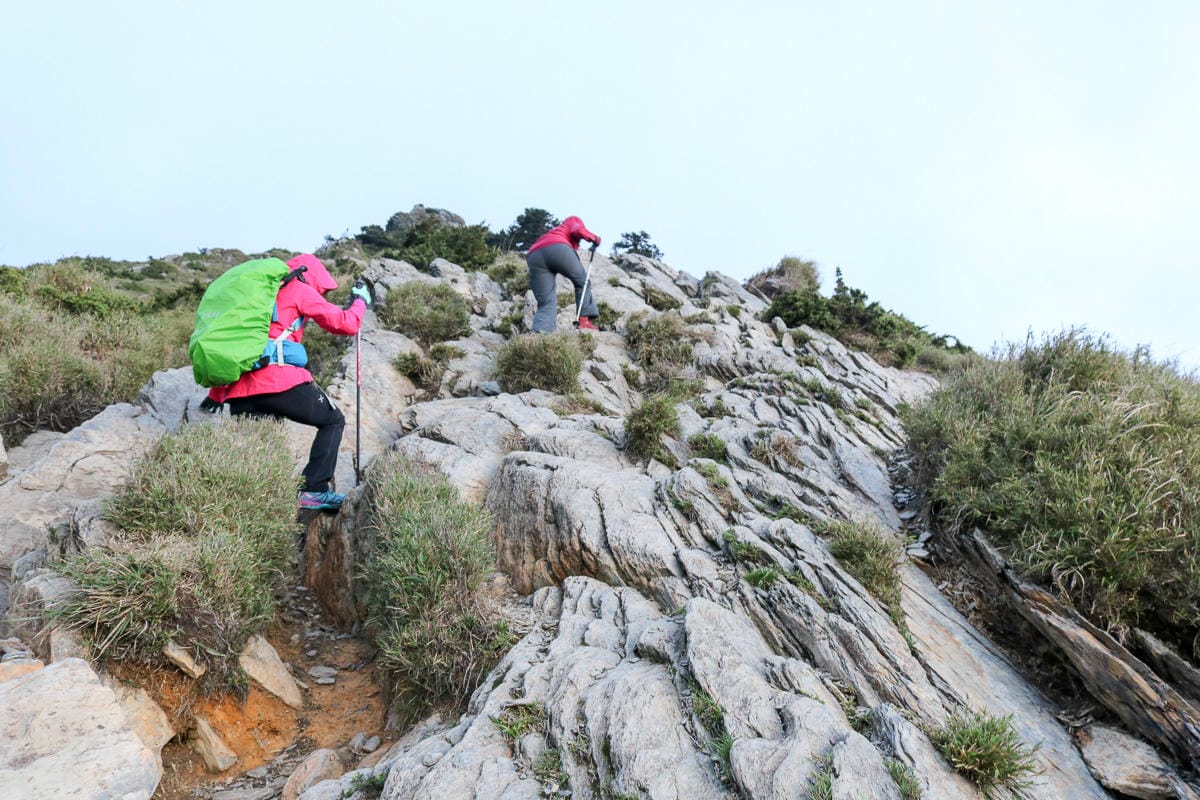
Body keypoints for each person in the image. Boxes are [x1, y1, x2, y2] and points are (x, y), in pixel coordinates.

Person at [202, 254, 370, 511]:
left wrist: (216, 393)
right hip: (279, 382)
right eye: (321, 287)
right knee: (333, 420)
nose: (320, 292)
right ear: (309, 276)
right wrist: (359, 303)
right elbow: (347, 324)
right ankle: (314, 490)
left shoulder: (259, 295)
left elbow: (244, 346)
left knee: (258, 449)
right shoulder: (299, 289)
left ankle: (252, 504)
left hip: (239, 392)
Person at [526, 215, 601, 332]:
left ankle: (542, 333)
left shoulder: (553, 232)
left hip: (534, 255)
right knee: (583, 282)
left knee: (546, 301)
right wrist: (593, 238)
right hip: (557, 248)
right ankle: (583, 321)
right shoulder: (572, 221)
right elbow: (577, 229)